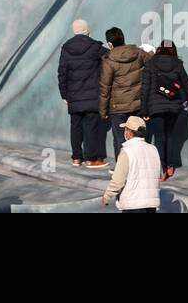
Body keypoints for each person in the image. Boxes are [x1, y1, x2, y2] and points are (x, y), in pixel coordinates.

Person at [141, 40, 188, 180]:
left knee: (159, 137)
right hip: (173, 105)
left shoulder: (150, 64)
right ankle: (170, 165)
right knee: (169, 135)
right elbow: (186, 84)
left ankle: (161, 169)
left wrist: (144, 110)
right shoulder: (177, 64)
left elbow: (145, 88)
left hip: (155, 106)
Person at [58, 19, 107, 168]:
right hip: (92, 95)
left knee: (76, 126)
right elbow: (111, 57)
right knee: (91, 126)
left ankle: (76, 158)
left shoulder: (66, 48)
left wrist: (64, 95)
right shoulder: (94, 47)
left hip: (73, 96)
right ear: (87, 30)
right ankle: (91, 159)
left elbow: (62, 73)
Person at [101, 116, 161, 212]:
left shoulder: (127, 151)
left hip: (132, 204)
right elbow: (158, 175)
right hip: (151, 204)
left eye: (125, 129)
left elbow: (118, 180)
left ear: (129, 132)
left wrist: (107, 195)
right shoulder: (153, 149)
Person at [99, 26, 145, 148]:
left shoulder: (108, 61)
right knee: (138, 136)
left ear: (110, 44)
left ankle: (122, 165)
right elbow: (153, 62)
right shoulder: (138, 53)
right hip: (137, 103)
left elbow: (105, 87)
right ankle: (138, 164)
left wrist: (103, 111)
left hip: (118, 108)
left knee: (120, 138)